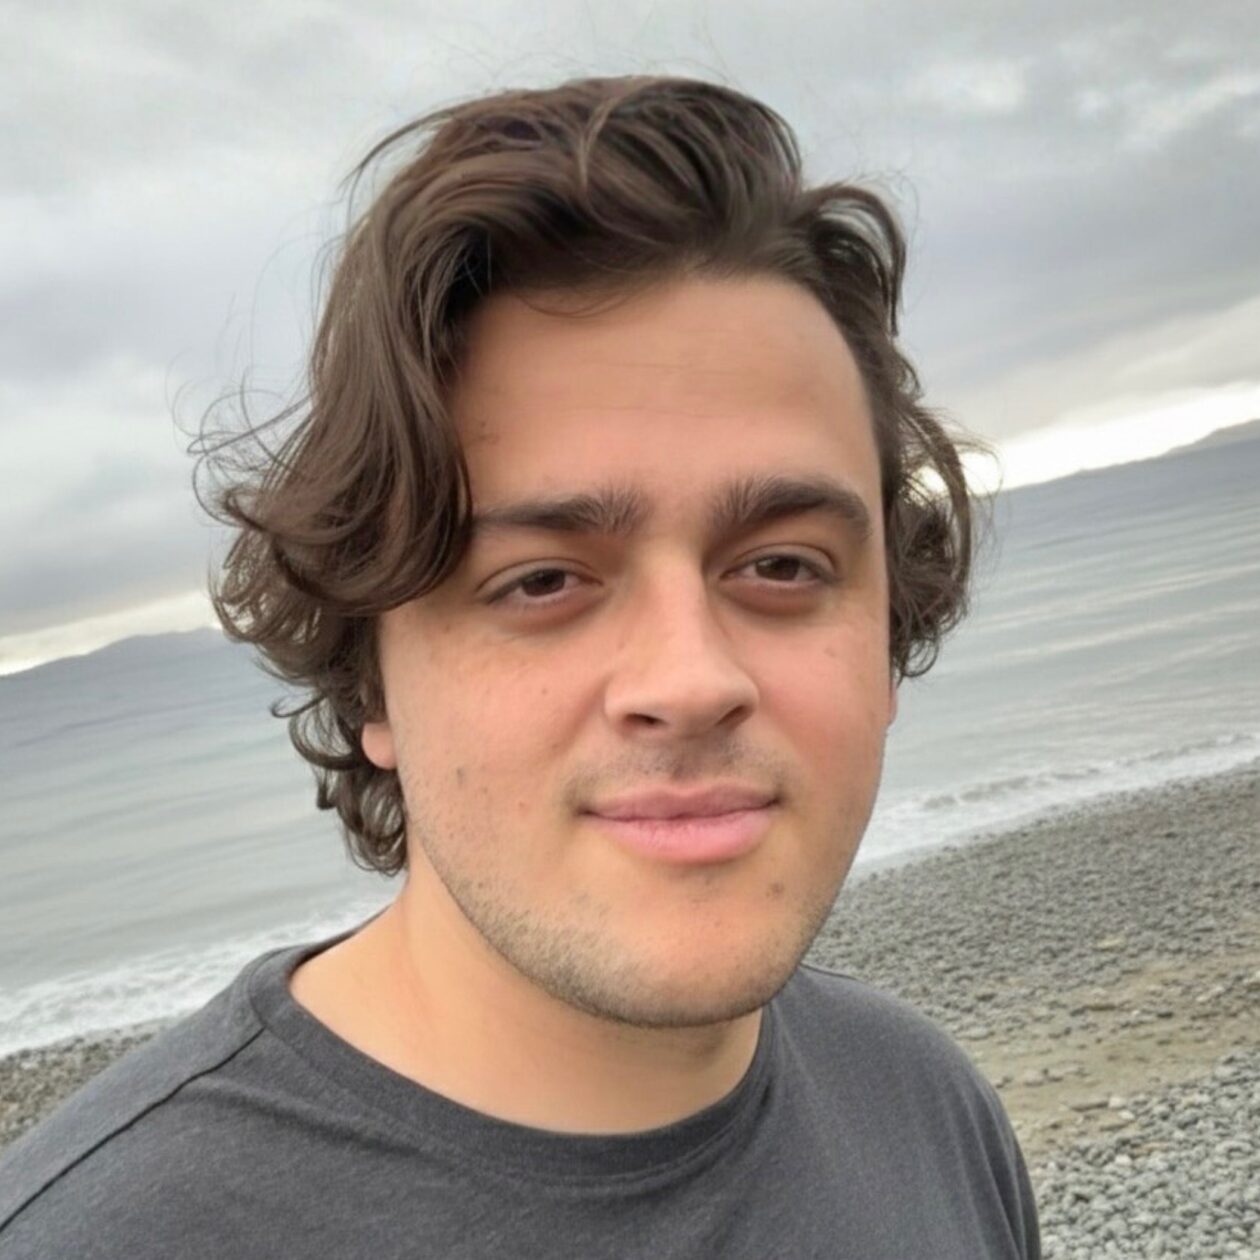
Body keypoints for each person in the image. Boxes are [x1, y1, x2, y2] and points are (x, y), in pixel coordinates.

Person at [0, 75, 1039, 1258]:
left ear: (886, 629)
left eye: (782, 565)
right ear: (371, 680)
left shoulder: (925, 1107)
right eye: (543, 580)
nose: (690, 680)